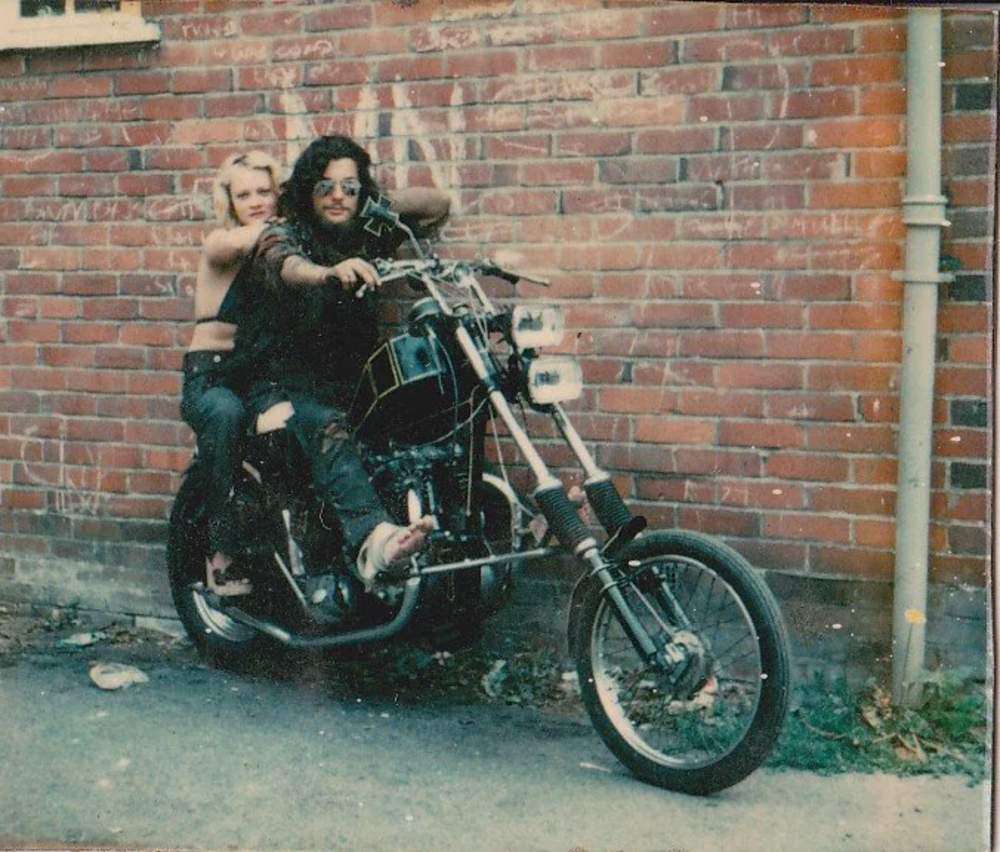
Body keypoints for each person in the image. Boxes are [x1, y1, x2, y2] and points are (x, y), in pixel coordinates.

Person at [223, 135, 451, 592]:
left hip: (347, 378)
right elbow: (286, 266)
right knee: (329, 426)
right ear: (306, 190)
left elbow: (436, 205)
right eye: (324, 186)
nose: (337, 197)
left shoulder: (367, 227)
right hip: (282, 382)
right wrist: (329, 272)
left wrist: (372, 197)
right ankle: (377, 543)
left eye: (348, 187)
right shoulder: (284, 232)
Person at [180, 151, 282, 596]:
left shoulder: (281, 247)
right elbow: (238, 243)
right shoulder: (222, 242)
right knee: (225, 417)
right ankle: (221, 554)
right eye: (245, 194)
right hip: (212, 378)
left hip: (256, 375)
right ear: (230, 202)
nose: (256, 201)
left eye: (265, 191)